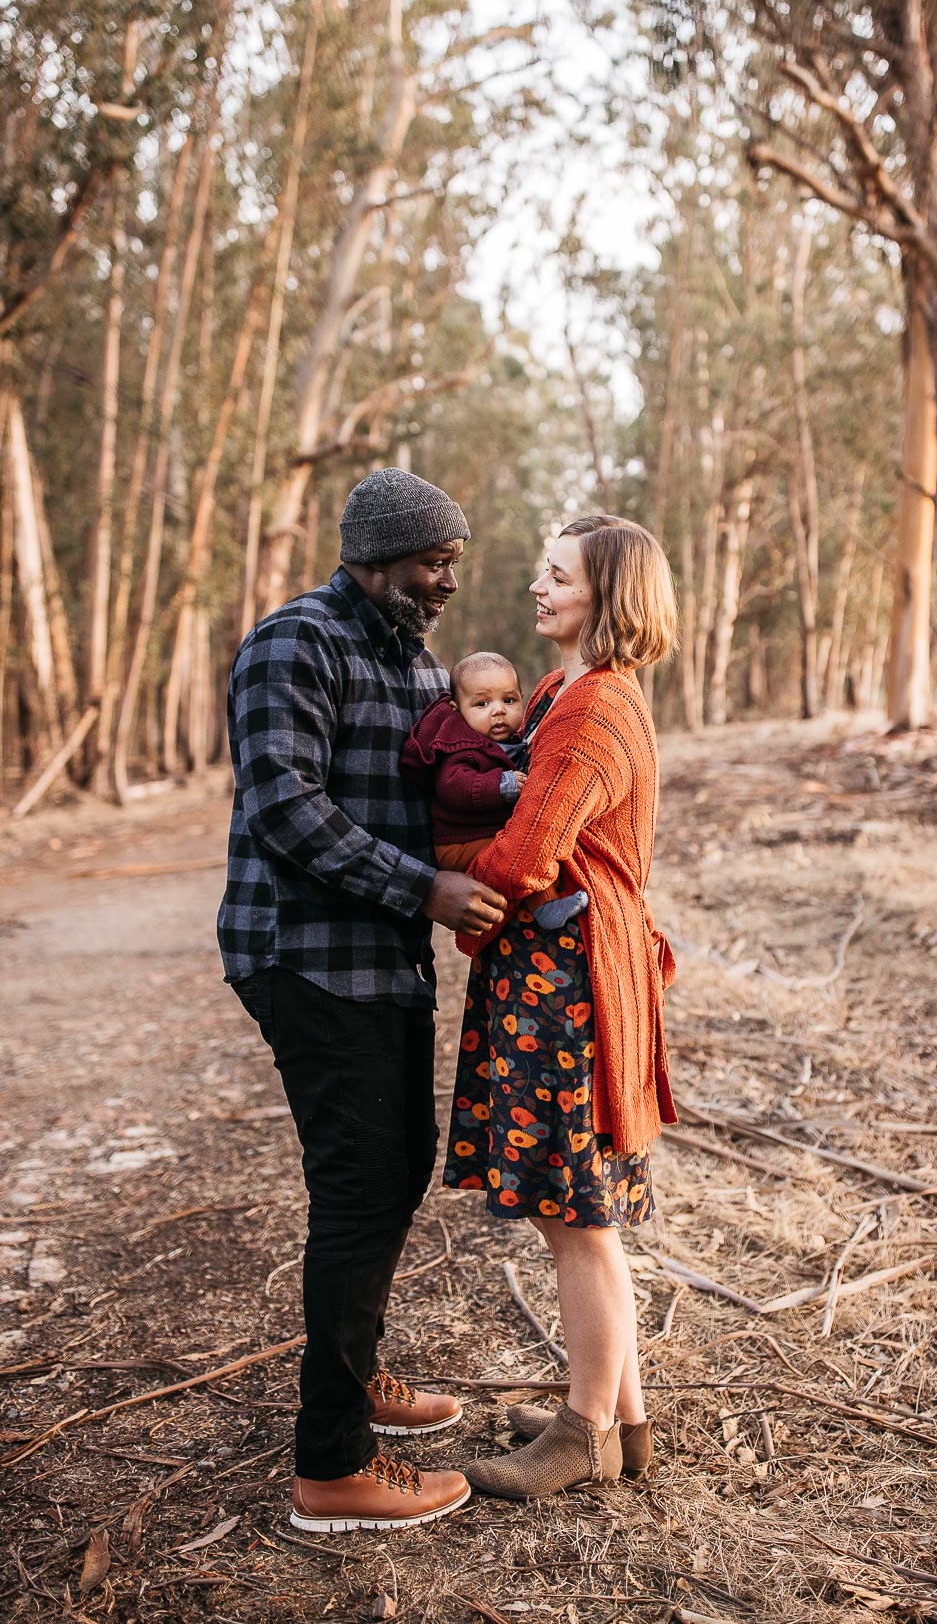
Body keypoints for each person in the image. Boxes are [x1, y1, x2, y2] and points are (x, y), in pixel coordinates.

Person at [217, 468, 505, 1533]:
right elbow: (285, 806)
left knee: (396, 1167)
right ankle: (332, 1462)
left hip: (384, 961)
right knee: (357, 1183)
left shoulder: (421, 666)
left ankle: (358, 1371)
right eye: (434, 562)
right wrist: (424, 888)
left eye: (454, 563)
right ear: (377, 556)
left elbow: (451, 784)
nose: (447, 583)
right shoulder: (295, 642)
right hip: (301, 952)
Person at [443, 514, 678, 1499]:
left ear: (607, 595)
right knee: (577, 1208)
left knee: (578, 1214)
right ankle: (625, 1422)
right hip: (557, 967)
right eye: (543, 571)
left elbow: (529, 851)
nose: (538, 587)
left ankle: (584, 1431)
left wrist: (450, 889)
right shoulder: (558, 690)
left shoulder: (593, 708)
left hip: (566, 981)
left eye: (559, 576)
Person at [399, 651, 589, 931]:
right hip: (461, 842)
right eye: (482, 703)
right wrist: (500, 785)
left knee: (524, 847)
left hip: (483, 834)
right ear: (457, 710)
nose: (498, 710)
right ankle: (545, 907)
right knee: (519, 853)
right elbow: (454, 786)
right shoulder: (461, 747)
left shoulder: (512, 740)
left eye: (508, 700)